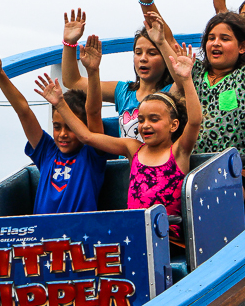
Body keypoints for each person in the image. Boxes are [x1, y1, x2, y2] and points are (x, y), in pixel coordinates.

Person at [34, 44, 201, 243]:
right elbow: (87, 137)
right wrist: (60, 104)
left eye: (154, 119)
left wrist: (186, 79)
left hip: (167, 238)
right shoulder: (132, 148)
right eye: (141, 120)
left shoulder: (179, 150)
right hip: (135, 235)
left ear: (174, 125)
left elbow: (194, 120)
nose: (145, 125)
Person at [139, 0, 245, 200]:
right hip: (191, 166)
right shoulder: (193, 72)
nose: (215, 44)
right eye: (211, 38)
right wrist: (147, 3)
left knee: (228, 193)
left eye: (225, 39)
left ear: (243, 47)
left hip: (236, 167)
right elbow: (165, 38)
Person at [0, 39, 106, 215]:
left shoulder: (92, 154)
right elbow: (23, 111)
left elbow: (93, 112)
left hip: (78, 237)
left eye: (70, 127)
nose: (62, 134)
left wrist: (93, 72)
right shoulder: (47, 152)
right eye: (57, 127)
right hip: (43, 238)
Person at [61, 8, 174, 141]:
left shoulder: (172, 92)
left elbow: (183, 79)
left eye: (152, 53)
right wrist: (69, 43)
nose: (143, 58)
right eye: (138, 53)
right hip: (128, 161)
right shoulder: (123, 91)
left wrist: (162, 41)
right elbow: (72, 82)